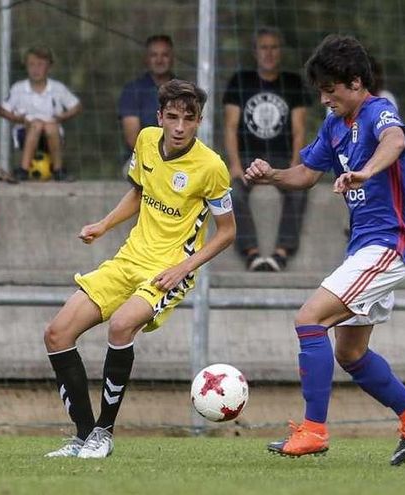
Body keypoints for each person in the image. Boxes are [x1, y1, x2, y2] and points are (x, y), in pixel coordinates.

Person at [244, 34, 405, 465]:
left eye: (330, 90)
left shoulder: (377, 110)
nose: (324, 98)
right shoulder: (333, 125)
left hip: (389, 243)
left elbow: (396, 142)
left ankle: (313, 431)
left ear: (354, 82)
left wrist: (365, 172)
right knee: (349, 352)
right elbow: (307, 174)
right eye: (319, 91)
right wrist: (270, 174)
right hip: (363, 249)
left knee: (309, 319)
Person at [42, 79, 235, 459]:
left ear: (199, 121)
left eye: (189, 119)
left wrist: (184, 268)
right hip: (129, 259)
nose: (180, 127)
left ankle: (104, 433)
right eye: (174, 117)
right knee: (57, 333)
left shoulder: (212, 167)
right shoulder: (146, 140)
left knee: (121, 325)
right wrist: (103, 225)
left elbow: (227, 232)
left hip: (167, 271)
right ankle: (83, 436)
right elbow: (138, 191)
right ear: (160, 117)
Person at [224, 27, 311, 272]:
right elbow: (230, 127)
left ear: (280, 52)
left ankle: (280, 254)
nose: (269, 53)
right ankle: (252, 254)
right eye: (264, 47)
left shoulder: (292, 83)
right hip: (247, 157)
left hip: (282, 157)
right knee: (231, 191)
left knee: (299, 191)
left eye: (274, 47)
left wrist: (295, 164)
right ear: (255, 52)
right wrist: (235, 165)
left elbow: (299, 130)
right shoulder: (240, 81)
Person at [0, 46, 82, 182]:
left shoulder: (57, 88)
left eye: (40, 64)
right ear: (25, 66)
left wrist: (62, 117)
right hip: (25, 133)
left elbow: (77, 106)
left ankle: (58, 170)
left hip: (52, 134)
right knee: (36, 125)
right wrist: (18, 119)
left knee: (50, 126)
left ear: (49, 67)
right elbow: (2, 109)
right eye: (31, 64)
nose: (35, 69)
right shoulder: (19, 88)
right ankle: (23, 170)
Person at [118, 34, 175, 164]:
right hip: (141, 160)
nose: (159, 60)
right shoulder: (132, 91)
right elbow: (133, 139)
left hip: (179, 158)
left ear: (172, 58)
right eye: (154, 55)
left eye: (164, 55)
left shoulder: (184, 90)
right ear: (146, 59)